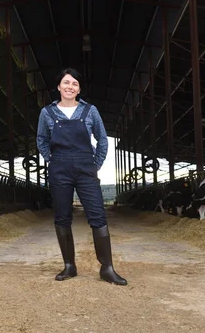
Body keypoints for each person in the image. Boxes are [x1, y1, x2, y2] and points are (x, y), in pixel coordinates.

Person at [36, 68, 127, 286]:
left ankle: (107, 268)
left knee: (97, 215)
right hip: (59, 170)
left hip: (87, 169)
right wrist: (52, 159)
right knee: (62, 217)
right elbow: (41, 139)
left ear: (79, 89)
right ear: (58, 87)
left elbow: (103, 140)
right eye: (66, 83)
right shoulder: (47, 113)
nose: (70, 87)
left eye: (74, 84)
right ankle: (69, 266)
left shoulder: (90, 111)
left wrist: (95, 164)